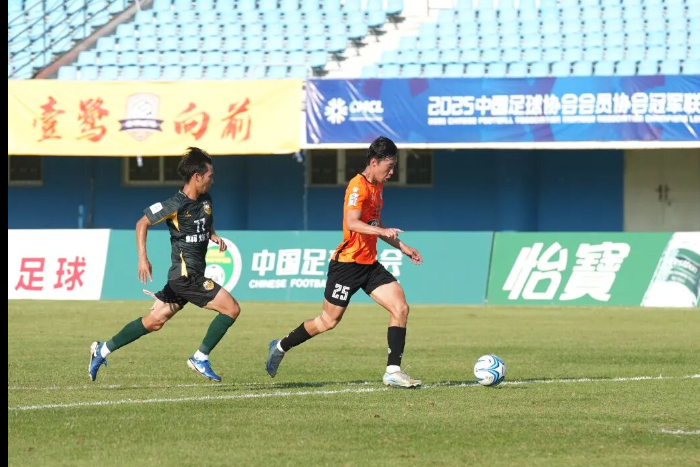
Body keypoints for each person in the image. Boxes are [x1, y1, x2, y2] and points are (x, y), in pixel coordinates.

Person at [266, 136, 423, 388]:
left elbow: (375, 224)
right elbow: (352, 222)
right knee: (327, 321)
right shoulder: (357, 186)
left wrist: (402, 246)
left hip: (369, 265)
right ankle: (281, 346)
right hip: (347, 265)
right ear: (374, 162)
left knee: (400, 307)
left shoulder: (378, 186)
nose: (392, 172)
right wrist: (381, 231)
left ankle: (393, 371)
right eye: (389, 166)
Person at [88, 147, 241, 383]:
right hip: (186, 277)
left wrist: (212, 234)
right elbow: (142, 223)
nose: (213, 180)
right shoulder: (174, 204)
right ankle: (200, 357)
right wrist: (143, 258)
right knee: (231, 309)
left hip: (187, 277)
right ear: (197, 176)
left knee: (153, 322)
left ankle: (102, 350)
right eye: (210, 176)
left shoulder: (206, 199)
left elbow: (206, 220)